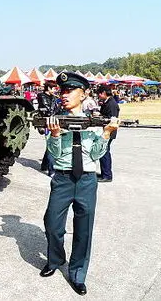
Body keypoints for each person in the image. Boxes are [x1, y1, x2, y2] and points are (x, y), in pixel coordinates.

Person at [40, 72, 119, 296]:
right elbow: (53, 155)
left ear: (83, 95)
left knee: (83, 229)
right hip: (63, 179)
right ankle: (55, 260)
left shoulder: (95, 121)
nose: (63, 95)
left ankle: (77, 273)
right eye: (62, 91)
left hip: (86, 179)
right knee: (52, 224)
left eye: (69, 91)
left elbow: (95, 153)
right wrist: (54, 135)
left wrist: (105, 134)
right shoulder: (57, 119)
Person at [96, 84, 120, 183]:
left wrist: (100, 115)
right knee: (103, 152)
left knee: (104, 152)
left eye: (99, 94)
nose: (98, 96)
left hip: (109, 131)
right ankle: (104, 173)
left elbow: (112, 119)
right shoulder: (107, 102)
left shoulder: (112, 104)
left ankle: (107, 175)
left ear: (104, 93)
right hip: (105, 130)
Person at [37, 80, 59, 176]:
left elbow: (56, 109)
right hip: (46, 123)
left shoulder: (53, 97)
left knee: (50, 145)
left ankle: (44, 165)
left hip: (53, 121)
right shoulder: (42, 96)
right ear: (49, 88)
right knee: (51, 146)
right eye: (54, 88)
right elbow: (48, 111)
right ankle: (52, 170)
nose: (55, 90)